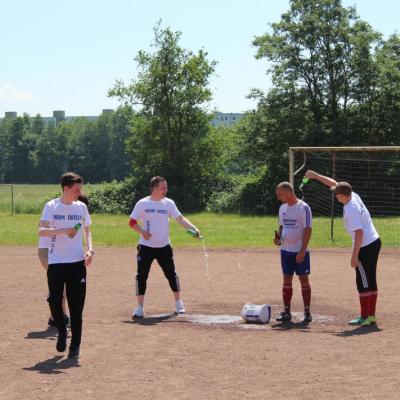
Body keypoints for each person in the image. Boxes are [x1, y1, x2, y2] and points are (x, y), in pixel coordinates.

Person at [304, 170, 381, 326]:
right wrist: (316, 176)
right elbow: (334, 183)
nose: (335, 196)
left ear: (343, 195)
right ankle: (370, 316)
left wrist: (354, 256)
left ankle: (365, 317)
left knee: (363, 281)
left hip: (365, 246)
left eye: (337, 194)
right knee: (370, 279)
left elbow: (358, 233)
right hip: (374, 241)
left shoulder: (351, 208)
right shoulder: (353, 195)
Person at [128, 176, 201, 318]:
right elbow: (132, 222)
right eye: (163, 188)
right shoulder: (143, 203)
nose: (165, 190)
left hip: (164, 247)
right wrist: (142, 231)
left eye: (166, 188)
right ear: (154, 188)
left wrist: (194, 229)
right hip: (146, 247)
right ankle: (140, 308)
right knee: (141, 276)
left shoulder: (169, 204)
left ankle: (179, 303)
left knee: (171, 275)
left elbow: (180, 219)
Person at [38, 173, 94, 358]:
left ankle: (75, 345)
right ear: (66, 189)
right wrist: (63, 231)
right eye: (76, 189)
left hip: (77, 263)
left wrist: (90, 250)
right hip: (56, 263)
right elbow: (42, 231)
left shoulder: (81, 207)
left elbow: (87, 231)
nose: (80, 192)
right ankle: (62, 331)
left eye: (80, 189)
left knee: (76, 307)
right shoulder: (51, 206)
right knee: (55, 301)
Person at [38, 194, 89, 329]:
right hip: (48, 252)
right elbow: (42, 230)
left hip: (60, 256)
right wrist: (62, 231)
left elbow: (79, 234)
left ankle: (55, 317)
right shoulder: (53, 208)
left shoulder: (76, 214)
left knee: (64, 288)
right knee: (61, 288)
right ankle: (61, 316)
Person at [274, 182, 313, 322]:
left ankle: (307, 312)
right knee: (286, 279)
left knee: (303, 279)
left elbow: (308, 229)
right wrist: (278, 239)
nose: (279, 198)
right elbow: (281, 226)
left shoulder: (303, 208)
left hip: (300, 251)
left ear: (288, 193)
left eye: (280, 194)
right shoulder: (282, 208)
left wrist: (302, 250)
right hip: (285, 251)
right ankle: (286, 311)